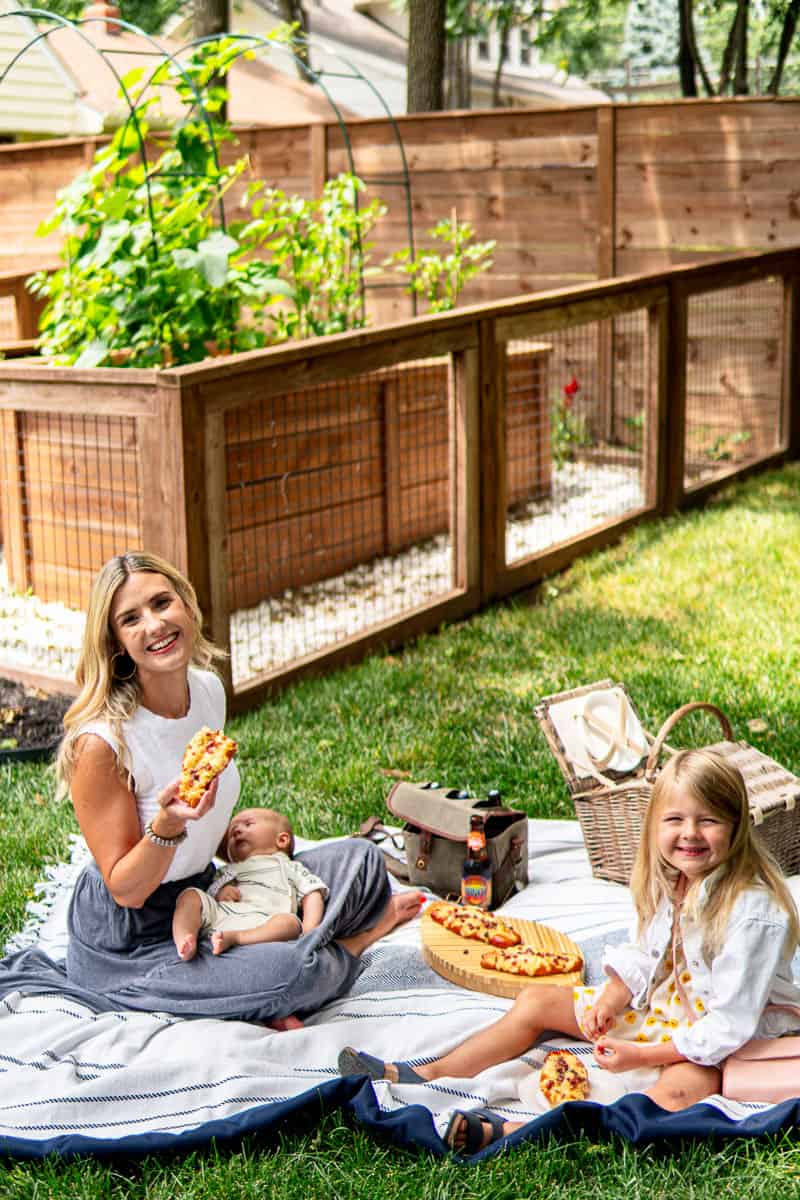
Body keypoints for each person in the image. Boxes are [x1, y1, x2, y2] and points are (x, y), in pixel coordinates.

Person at [0, 551, 421, 1027]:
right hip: (134, 939)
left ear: (187, 605)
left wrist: (249, 847)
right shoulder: (104, 744)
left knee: (359, 862)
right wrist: (168, 823)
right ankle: (335, 953)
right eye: (131, 619)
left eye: (162, 603)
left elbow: (209, 825)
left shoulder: (206, 691)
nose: (155, 625)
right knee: (291, 972)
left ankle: (255, 974)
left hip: (210, 893)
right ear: (116, 643)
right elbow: (126, 891)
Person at [339, 749, 800, 1152]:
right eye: (675, 820)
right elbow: (649, 951)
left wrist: (642, 1056)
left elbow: (729, 1026)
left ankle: (513, 1129)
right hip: (666, 1008)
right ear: (654, 825)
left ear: (737, 827)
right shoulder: (677, 877)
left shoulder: (753, 911)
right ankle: (432, 1073)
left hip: (718, 1042)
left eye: (709, 821)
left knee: (671, 1101)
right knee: (539, 1000)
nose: (690, 834)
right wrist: (613, 996)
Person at [172, 807, 328, 959]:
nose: (237, 831)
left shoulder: (290, 867)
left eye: (248, 824)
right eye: (233, 833)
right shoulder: (229, 868)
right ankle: (185, 939)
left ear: (282, 840)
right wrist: (221, 891)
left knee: (290, 923)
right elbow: (212, 889)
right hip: (223, 915)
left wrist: (309, 931)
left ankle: (237, 938)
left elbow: (312, 894)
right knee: (191, 895)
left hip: (265, 922)